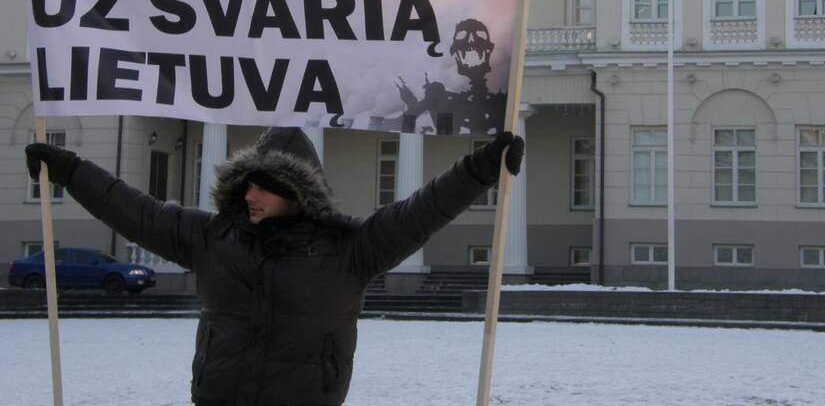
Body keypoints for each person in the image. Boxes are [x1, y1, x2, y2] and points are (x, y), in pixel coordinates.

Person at [25, 127, 524, 406]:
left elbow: (422, 209)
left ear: (295, 192)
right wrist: (69, 170)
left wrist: (481, 167)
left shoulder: (350, 248)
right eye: (247, 183)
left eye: (263, 184)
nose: (251, 194)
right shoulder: (212, 236)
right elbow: (131, 209)